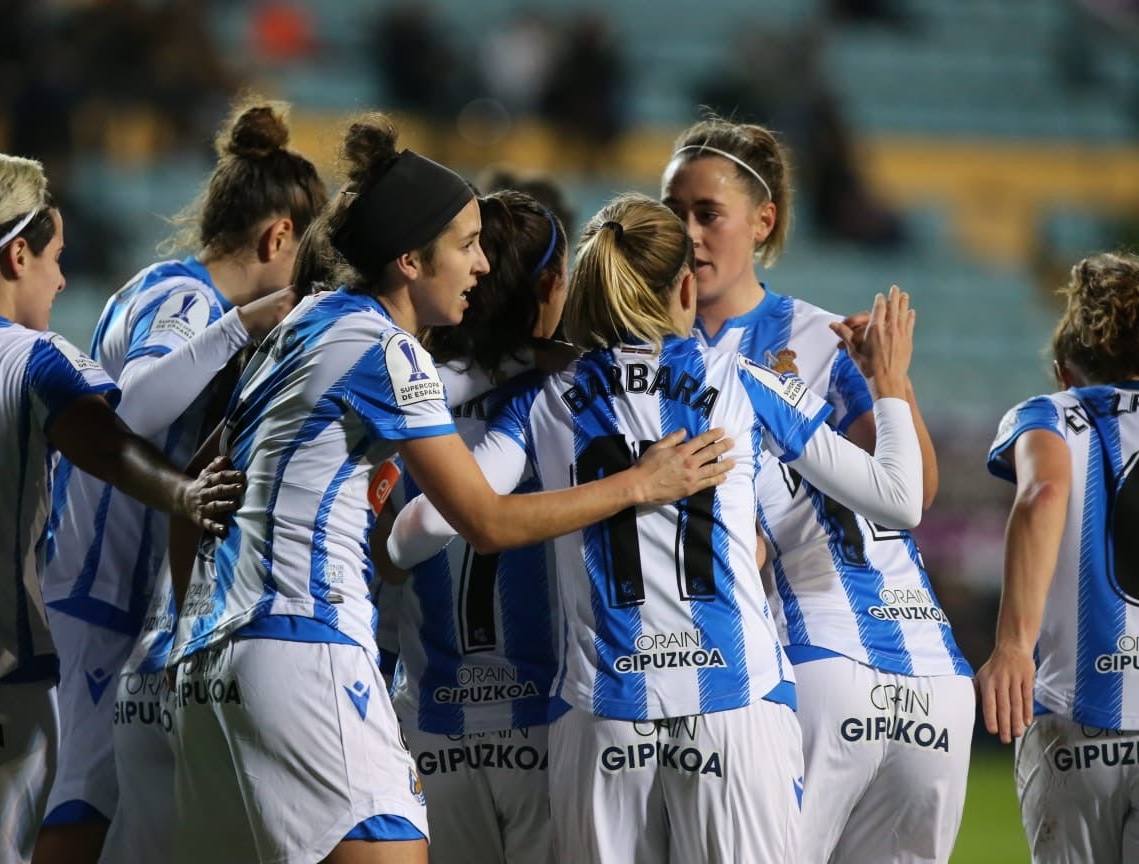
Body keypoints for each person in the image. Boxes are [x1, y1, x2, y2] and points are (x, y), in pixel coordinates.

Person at [166, 114, 732, 864]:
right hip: (301, 647)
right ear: (410, 259)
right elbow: (486, 520)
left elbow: (196, 493)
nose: (479, 266)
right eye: (466, 245)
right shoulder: (386, 350)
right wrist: (639, 482)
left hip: (206, 664)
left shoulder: (299, 328)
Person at [388, 193, 927, 862]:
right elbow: (901, 501)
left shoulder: (543, 401)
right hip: (734, 705)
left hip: (603, 713)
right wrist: (892, 384)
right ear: (684, 286)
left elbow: (414, 530)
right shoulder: (742, 381)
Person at [0, 153, 241, 864]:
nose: (61, 279)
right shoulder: (32, 357)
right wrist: (184, 492)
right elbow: (109, 447)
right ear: (16, 253)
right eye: (55, 258)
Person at [660, 115, 972, 863]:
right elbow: (911, 488)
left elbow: (913, 488)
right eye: (673, 214)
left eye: (707, 214)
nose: (687, 235)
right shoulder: (820, 337)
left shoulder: (810, 342)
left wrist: (889, 383)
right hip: (935, 683)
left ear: (763, 222)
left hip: (809, 661)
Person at [35, 98, 326, 864]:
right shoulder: (186, 298)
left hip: (97, 598)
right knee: (73, 816)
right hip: (92, 601)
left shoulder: (154, 286)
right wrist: (243, 326)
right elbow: (131, 405)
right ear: (279, 237)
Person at [388, 189, 569, 864]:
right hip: (542, 728)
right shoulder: (564, 397)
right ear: (548, 286)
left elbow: (389, 558)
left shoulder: (404, 395)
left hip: (430, 728)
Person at [979, 251, 1139, 864]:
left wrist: (1013, 646)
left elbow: (1045, 491)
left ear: (1063, 371)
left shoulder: (1051, 414)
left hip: (1073, 718)